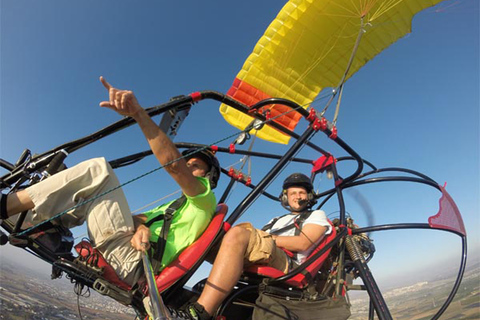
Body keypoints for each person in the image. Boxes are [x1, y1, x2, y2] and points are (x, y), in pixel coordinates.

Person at [0, 76, 220, 288]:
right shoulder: (175, 208)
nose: (188, 166)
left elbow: (174, 164)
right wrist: (140, 227)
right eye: (188, 163)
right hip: (127, 252)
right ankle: (32, 219)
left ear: (209, 178)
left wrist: (138, 114)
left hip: (136, 264)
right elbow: (133, 219)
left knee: (99, 171)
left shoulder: (205, 199)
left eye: (195, 166)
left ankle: (6, 206)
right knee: (69, 180)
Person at [185, 173, 332, 320]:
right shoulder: (276, 220)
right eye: (293, 193)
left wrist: (265, 237)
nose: (298, 196)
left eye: (302, 193)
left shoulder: (316, 215)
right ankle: (171, 295)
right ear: (286, 197)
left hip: (289, 263)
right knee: (210, 238)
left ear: (309, 196)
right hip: (268, 254)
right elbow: (258, 240)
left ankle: (200, 313)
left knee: (239, 234)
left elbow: (303, 243)